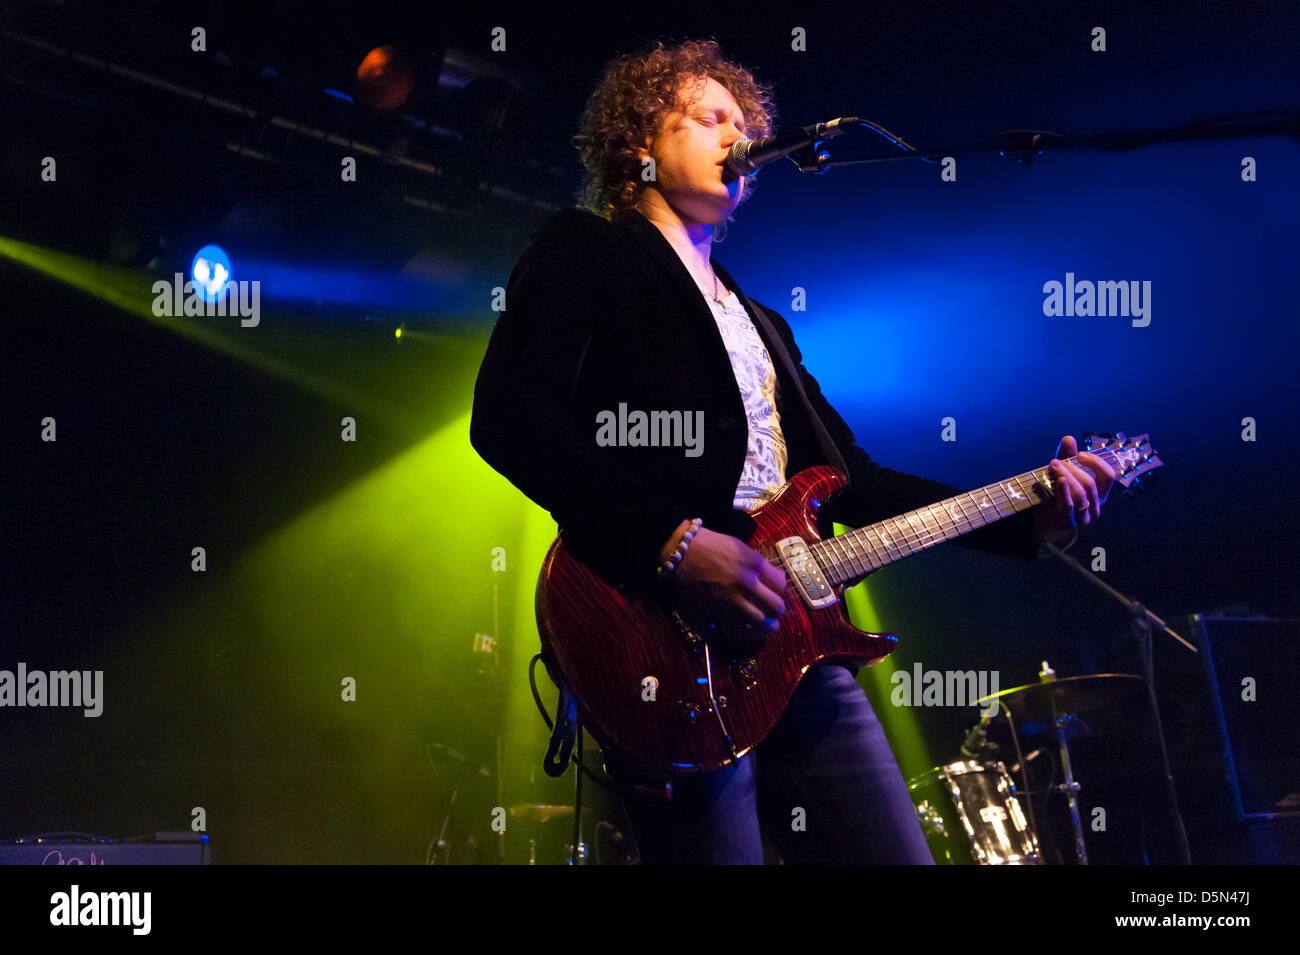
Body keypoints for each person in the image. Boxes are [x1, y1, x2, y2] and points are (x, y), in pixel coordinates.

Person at [470, 38, 1115, 864]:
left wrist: (1031, 507)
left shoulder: (765, 322)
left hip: (799, 644)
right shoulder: (585, 251)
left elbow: (857, 485)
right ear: (640, 143)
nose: (735, 135)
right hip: (662, 638)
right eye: (709, 118)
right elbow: (510, 420)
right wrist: (669, 544)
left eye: (743, 123)